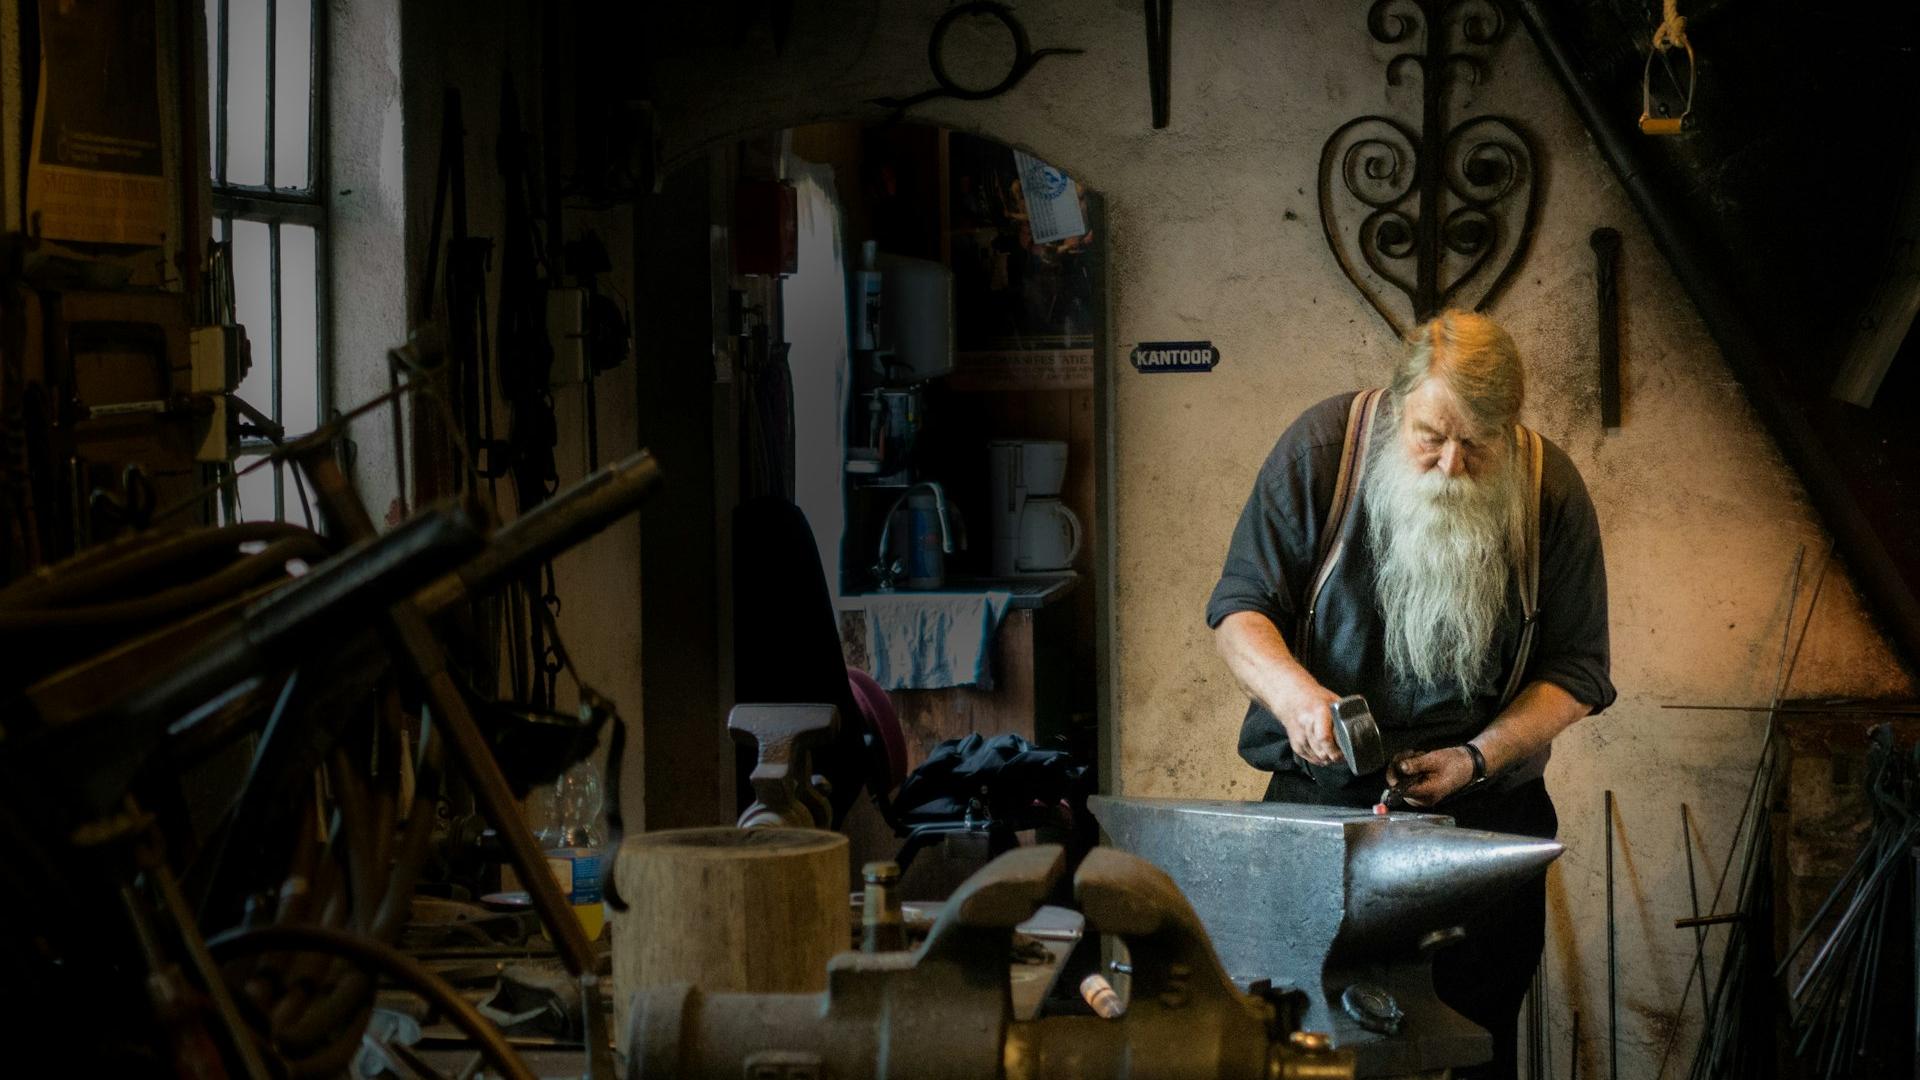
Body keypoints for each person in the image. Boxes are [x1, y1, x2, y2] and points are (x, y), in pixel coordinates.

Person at [1207, 310, 1614, 1080]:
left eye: (1479, 443)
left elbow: (1579, 671)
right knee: (1307, 1052)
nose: (1452, 463)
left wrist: (1475, 757)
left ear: (1511, 426)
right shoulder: (1321, 453)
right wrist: (1298, 700)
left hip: (1482, 822)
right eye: (1431, 435)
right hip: (1320, 813)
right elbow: (1239, 610)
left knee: (1469, 1047)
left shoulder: (1548, 489)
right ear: (1397, 408)